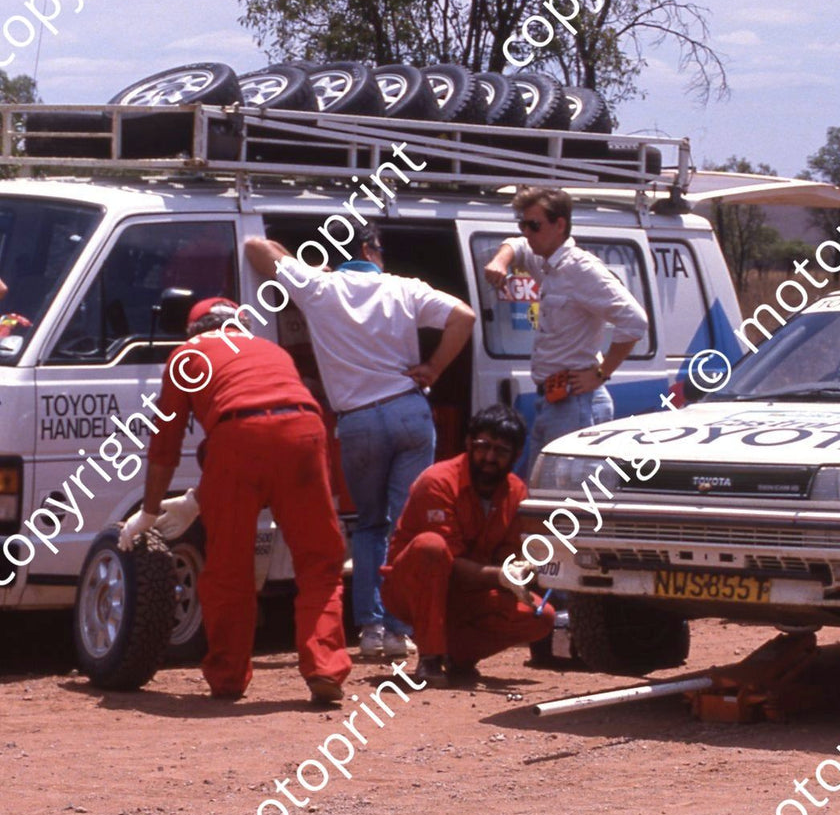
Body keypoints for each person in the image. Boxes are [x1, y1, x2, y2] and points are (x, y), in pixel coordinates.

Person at [245, 226, 477, 660]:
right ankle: (400, 629)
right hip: (409, 411)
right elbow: (463, 316)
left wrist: (302, 265)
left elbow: (256, 248)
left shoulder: (318, 287)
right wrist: (433, 368)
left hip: (358, 423)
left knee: (370, 525)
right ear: (371, 251)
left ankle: (370, 629)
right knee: (405, 525)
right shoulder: (403, 288)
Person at [118, 298, 351, 704]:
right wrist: (197, 499)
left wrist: (149, 511)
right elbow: (273, 426)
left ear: (194, 330)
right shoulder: (271, 350)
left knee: (228, 568)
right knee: (320, 563)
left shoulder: (187, 355)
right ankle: (325, 668)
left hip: (238, 436)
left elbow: (165, 446)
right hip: (305, 431)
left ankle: (227, 676)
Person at [380, 405, 554, 687]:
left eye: (501, 451)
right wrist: (499, 575)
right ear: (469, 444)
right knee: (431, 547)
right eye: (483, 446)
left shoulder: (516, 492)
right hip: (412, 589)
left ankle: (458, 655)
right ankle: (431, 658)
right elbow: (445, 560)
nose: (489, 457)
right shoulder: (437, 481)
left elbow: (510, 556)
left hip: (469, 592)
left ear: (517, 455)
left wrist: (522, 568)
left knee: (541, 617)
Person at [481, 187, 649, 474]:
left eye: (534, 225)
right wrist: (500, 260)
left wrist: (601, 373)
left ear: (560, 225)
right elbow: (517, 245)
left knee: (567, 504)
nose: (527, 232)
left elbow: (635, 321)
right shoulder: (547, 263)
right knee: (541, 498)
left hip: (576, 403)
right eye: (523, 224)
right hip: (553, 401)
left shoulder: (581, 269)